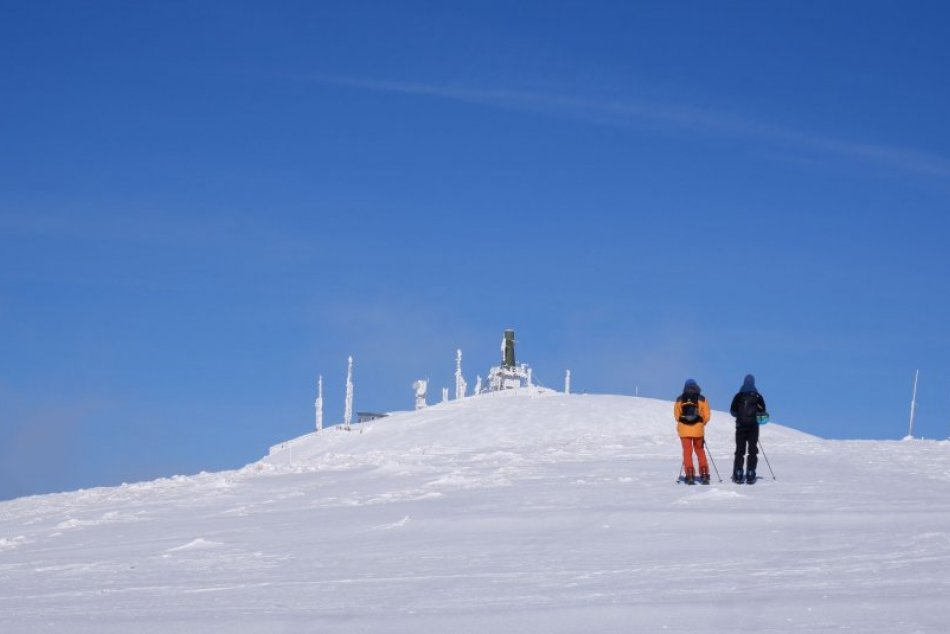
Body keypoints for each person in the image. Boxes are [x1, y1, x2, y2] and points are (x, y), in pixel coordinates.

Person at [729, 374, 767, 484]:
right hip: (753, 428)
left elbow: (732, 411)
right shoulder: (758, 397)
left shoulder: (738, 396)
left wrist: (740, 416)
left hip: (740, 427)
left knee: (740, 450)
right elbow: (763, 415)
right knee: (752, 450)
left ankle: (738, 472)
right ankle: (750, 472)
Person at [674, 379, 711, 485]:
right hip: (698, 430)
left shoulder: (679, 399)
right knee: (700, 451)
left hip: (684, 431)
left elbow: (677, 416)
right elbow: (707, 415)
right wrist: (701, 423)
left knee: (687, 452)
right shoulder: (702, 399)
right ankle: (704, 473)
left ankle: (689, 474)